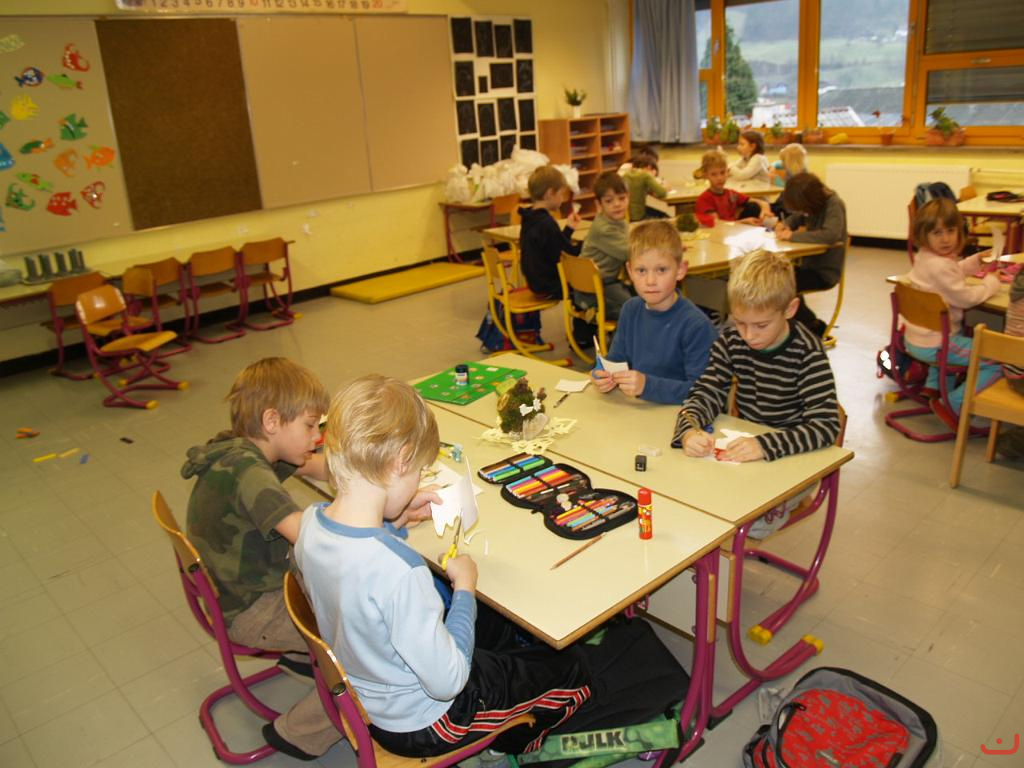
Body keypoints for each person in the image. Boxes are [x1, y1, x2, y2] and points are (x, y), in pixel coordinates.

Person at [296, 375, 691, 759]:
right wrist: (464, 591)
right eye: (418, 471)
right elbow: (449, 680)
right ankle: (524, 740)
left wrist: (394, 520)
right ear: (400, 461)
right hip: (432, 721)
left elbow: (357, 575)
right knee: (572, 671)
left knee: (510, 643)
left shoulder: (312, 525)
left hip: (373, 693)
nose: (417, 481)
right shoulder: (401, 572)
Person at [181, 357, 339, 760]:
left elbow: (316, 466)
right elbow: (308, 537)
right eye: (310, 426)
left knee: (333, 589)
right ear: (272, 421)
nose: (318, 436)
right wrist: (371, 518)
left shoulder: (238, 451)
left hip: (238, 592)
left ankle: (301, 656)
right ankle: (299, 732)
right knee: (364, 643)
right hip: (254, 611)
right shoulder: (250, 474)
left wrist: (368, 476)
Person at [672, 249, 841, 464]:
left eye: (761, 325)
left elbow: (826, 426)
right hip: (747, 447)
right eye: (739, 322)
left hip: (793, 454)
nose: (749, 336)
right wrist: (689, 430)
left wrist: (765, 445)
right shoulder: (731, 341)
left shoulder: (808, 353)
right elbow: (706, 392)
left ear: (790, 309)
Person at [902, 198, 1003, 429]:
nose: (946, 239)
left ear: (959, 231)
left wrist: (975, 261)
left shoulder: (925, 257)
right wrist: (991, 283)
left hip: (916, 338)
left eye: (950, 231)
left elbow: (951, 273)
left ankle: (934, 386)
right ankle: (953, 405)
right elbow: (966, 298)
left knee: (958, 333)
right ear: (923, 234)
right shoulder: (940, 266)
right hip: (936, 344)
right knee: (997, 359)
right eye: (937, 233)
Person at [592, 221, 717, 405]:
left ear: (680, 270)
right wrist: (602, 375)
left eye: (661, 270)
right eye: (641, 270)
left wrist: (647, 386)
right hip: (638, 410)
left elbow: (704, 392)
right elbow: (616, 361)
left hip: (678, 414)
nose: (650, 281)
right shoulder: (630, 310)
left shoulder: (696, 326)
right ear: (630, 271)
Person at [774, 172, 848, 337]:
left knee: (783, 285)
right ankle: (806, 324)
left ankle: (811, 324)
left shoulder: (834, 204)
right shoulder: (814, 205)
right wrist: (785, 224)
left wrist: (792, 236)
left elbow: (830, 235)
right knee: (776, 277)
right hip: (807, 266)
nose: (803, 211)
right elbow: (797, 218)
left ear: (809, 200)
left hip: (824, 272)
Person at [519, 165, 582, 300]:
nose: (563, 198)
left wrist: (569, 229)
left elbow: (554, 246)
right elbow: (566, 254)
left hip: (535, 282)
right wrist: (588, 243)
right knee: (591, 284)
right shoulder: (546, 223)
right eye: (561, 194)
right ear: (550, 193)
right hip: (550, 284)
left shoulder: (530, 217)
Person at [577, 170, 632, 320]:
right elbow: (630, 252)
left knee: (642, 300)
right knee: (632, 310)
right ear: (599, 204)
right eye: (609, 201)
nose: (617, 204)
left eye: (622, 198)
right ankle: (617, 340)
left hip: (605, 282)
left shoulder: (617, 222)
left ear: (628, 197)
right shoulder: (604, 229)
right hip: (592, 290)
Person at [694, 150, 770, 228]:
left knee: (754, 206)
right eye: (714, 174)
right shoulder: (705, 199)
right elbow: (718, 225)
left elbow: (761, 202)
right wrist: (743, 222)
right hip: (718, 232)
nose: (719, 178)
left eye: (722, 172)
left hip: (733, 229)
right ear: (706, 175)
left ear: (727, 172)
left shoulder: (731, 193)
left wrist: (765, 209)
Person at [622, 153, 669, 221]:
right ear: (649, 167)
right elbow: (662, 193)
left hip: (626, 215)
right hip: (638, 216)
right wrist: (653, 178)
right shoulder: (645, 175)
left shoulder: (626, 175)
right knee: (666, 217)